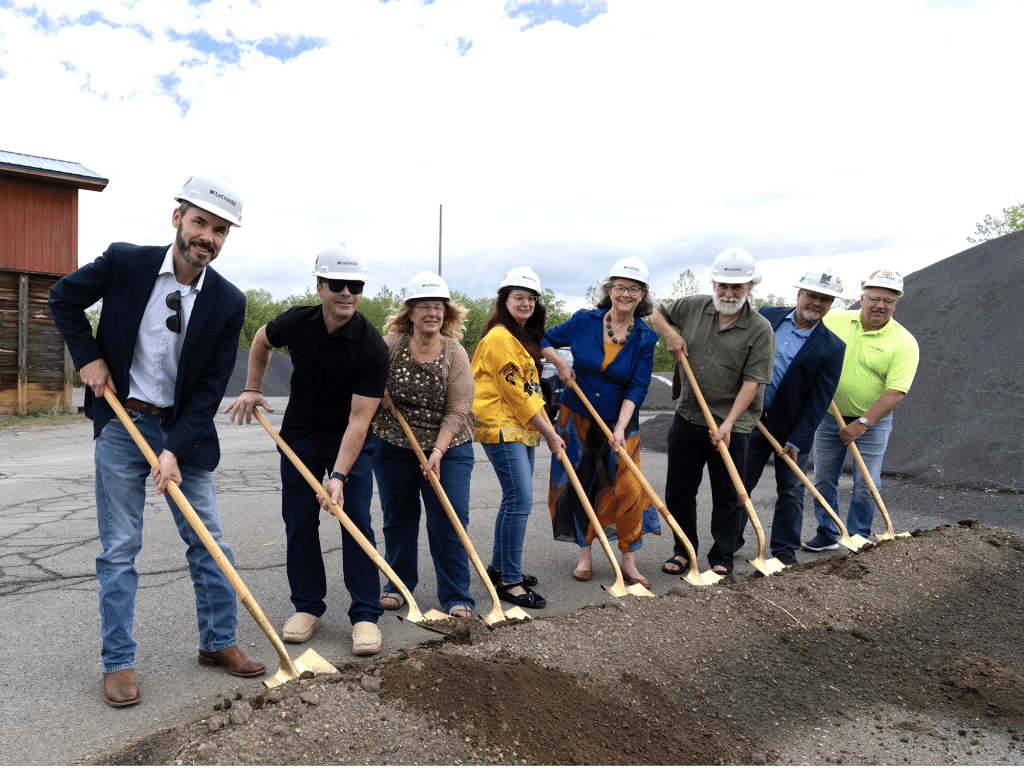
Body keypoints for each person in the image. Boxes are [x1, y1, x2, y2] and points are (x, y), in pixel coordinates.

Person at [48, 172, 264, 708]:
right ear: (178, 219)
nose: (207, 237)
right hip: (124, 425)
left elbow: (212, 385)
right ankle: (118, 663)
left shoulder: (228, 300)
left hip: (184, 433)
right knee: (120, 550)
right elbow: (62, 299)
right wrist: (90, 358)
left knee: (209, 541)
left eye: (219, 230)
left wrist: (173, 449)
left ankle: (218, 643)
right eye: (199, 223)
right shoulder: (126, 262)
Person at [225, 244, 388, 656]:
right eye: (338, 284)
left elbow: (359, 419)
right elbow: (261, 341)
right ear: (320, 286)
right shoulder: (297, 321)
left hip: (348, 443)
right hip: (298, 438)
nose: (347, 292)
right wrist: (251, 388)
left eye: (356, 285)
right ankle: (308, 607)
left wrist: (338, 476)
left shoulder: (371, 346)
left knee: (355, 523)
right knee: (299, 523)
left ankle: (365, 613)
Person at [649, 248, 775, 576]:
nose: (728, 293)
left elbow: (753, 382)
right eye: (723, 285)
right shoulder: (693, 306)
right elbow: (656, 314)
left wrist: (729, 424)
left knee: (728, 494)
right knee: (679, 490)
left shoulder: (760, 329)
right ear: (714, 283)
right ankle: (684, 550)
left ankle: (722, 555)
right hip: (688, 415)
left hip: (732, 424)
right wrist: (672, 334)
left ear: (750, 287)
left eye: (737, 287)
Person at [541, 257, 661, 587]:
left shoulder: (645, 339)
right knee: (582, 484)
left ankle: (629, 561)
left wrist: (620, 429)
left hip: (620, 419)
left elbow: (637, 386)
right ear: (609, 290)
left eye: (633, 288)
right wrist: (560, 365)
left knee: (629, 488)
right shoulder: (585, 320)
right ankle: (584, 556)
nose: (625, 293)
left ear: (642, 295)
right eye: (619, 286)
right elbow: (543, 339)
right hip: (576, 417)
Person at [370, 271, 476, 621]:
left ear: (447, 314)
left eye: (439, 307)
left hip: (449, 446)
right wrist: (378, 390)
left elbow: (458, 409)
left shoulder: (455, 354)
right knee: (398, 517)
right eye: (424, 307)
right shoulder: (389, 345)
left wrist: (438, 452)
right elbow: (363, 376)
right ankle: (398, 586)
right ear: (410, 313)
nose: (432, 313)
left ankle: (457, 594)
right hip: (393, 444)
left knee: (449, 517)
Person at [733, 269, 847, 565]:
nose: (817, 303)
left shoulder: (833, 347)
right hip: (752, 419)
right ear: (799, 294)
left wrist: (798, 439)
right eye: (812, 295)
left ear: (831, 304)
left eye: (825, 299)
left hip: (793, 429)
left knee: (792, 490)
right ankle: (730, 540)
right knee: (740, 483)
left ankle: (783, 549)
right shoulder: (768, 316)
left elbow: (819, 401)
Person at [802, 269, 919, 549]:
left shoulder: (903, 342)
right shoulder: (835, 320)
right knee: (823, 478)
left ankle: (858, 536)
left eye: (888, 301)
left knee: (866, 483)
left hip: (873, 423)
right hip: (829, 416)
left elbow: (895, 392)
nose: (880, 305)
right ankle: (828, 533)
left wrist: (863, 423)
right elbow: (806, 334)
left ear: (896, 304)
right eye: (875, 298)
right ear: (862, 298)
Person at [471, 266, 565, 609]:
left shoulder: (519, 339)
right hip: (502, 427)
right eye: (518, 297)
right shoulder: (498, 339)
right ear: (504, 300)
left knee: (513, 500)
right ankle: (509, 582)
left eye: (530, 298)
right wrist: (553, 435)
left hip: (519, 428)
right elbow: (519, 396)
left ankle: (499, 568)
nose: (525, 303)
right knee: (521, 501)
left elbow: (530, 391)